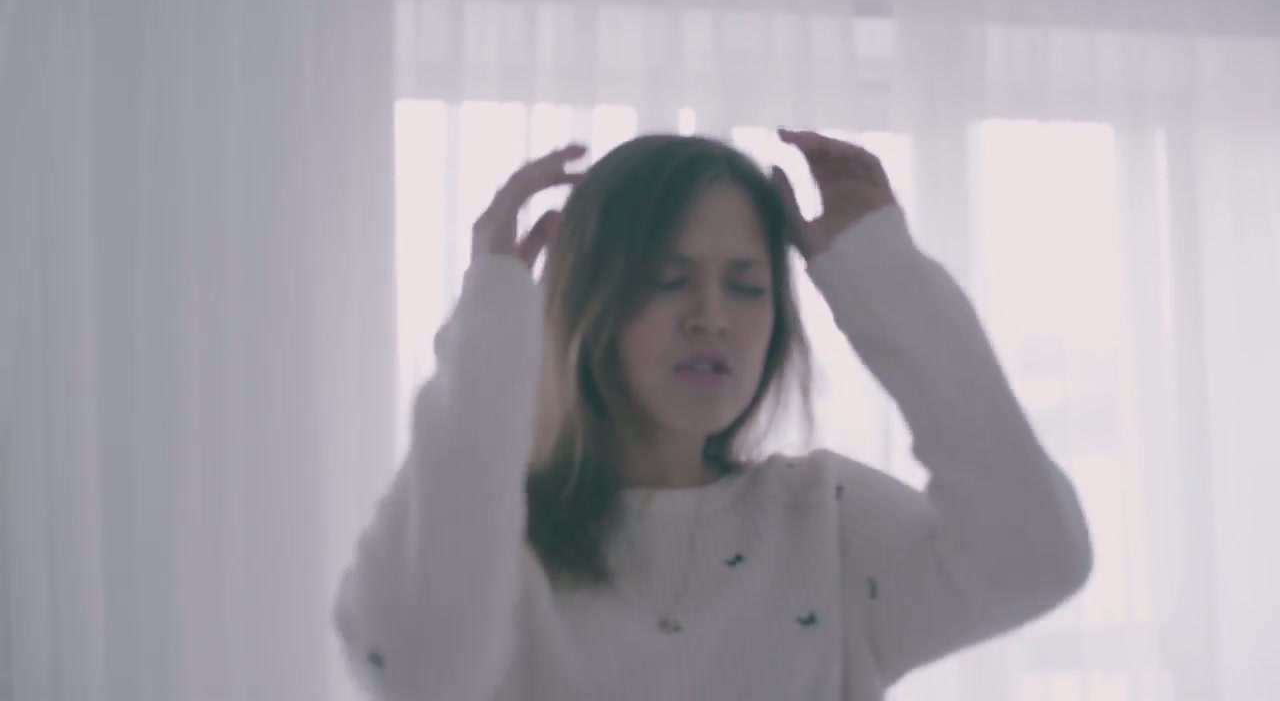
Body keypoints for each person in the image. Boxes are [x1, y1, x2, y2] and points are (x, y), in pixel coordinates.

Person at [332, 129, 1093, 701]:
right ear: (591, 301)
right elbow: (414, 669)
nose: (711, 317)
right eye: (668, 280)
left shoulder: (824, 521)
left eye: (747, 286)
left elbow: (1038, 558)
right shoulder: (491, 542)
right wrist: (493, 319)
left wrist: (882, 272)